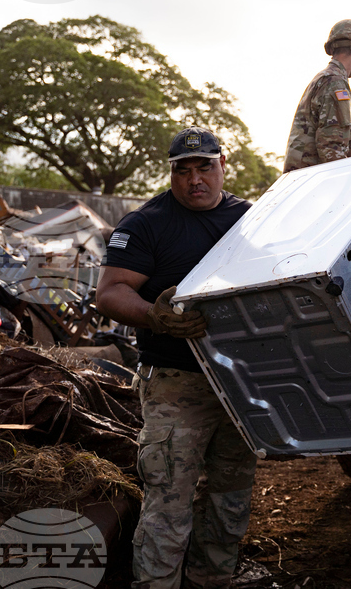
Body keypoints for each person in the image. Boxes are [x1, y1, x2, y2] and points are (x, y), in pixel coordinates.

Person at [97, 126, 258, 589]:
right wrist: (156, 316)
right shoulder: (146, 224)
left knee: (231, 495)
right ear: (171, 174)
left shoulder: (251, 220)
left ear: (222, 165)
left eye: (204, 167)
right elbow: (109, 294)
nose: (194, 180)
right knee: (168, 500)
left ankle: (212, 578)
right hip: (175, 380)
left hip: (240, 382)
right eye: (182, 171)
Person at [284, 19, 351, 173]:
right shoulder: (336, 83)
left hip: (300, 181)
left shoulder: (322, 78)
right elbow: (332, 151)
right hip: (313, 184)